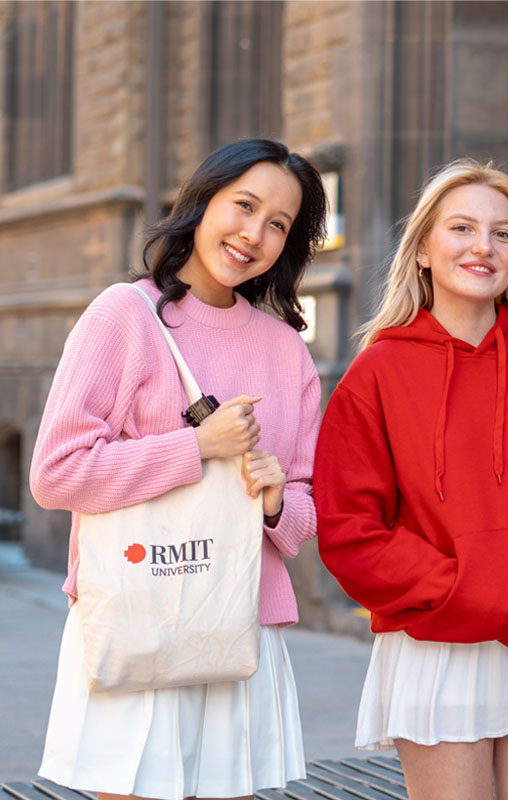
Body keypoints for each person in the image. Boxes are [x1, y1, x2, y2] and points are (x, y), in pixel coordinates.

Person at [313, 158, 508, 800]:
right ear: (425, 249)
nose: (483, 246)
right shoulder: (379, 371)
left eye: (503, 233)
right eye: (462, 228)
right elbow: (349, 526)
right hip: (438, 645)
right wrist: (453, 587)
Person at [31, 139, 328, 800]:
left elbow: (305, 517)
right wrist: (197, 449)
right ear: (203, 202)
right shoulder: (125, 317)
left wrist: (278, 499)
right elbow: (55, 474)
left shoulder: (285, 350)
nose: (254, 233)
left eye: (278, 224)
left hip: (239, 624)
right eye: (243, 206)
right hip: (140, 611)